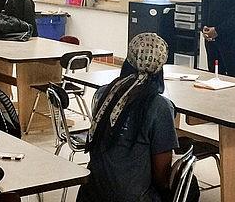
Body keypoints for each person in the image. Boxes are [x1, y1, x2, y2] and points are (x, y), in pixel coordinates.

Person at [77, 33, 179, 202]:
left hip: (91, 195)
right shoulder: (159, 107)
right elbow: (162, 176)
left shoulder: (103, 94)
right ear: (160, 67)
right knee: (190, 187)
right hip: (134, 197)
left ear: (128, 60)